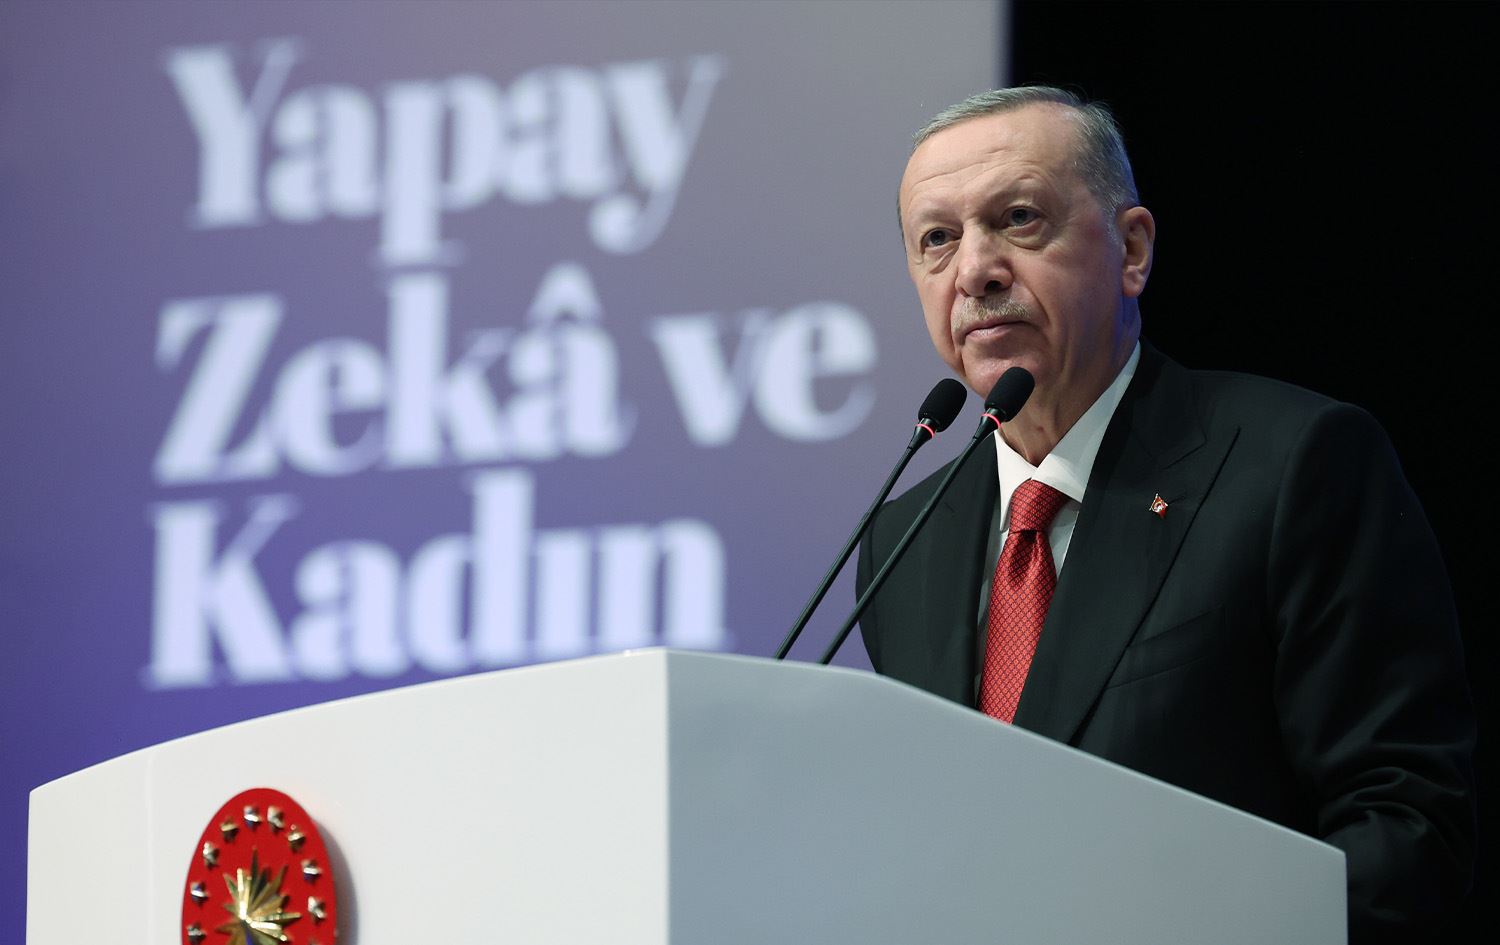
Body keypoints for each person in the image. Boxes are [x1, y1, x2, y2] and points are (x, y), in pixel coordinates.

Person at [856, 86, 1476, 944]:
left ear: (1133, 250)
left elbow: (1404, 824)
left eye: (1019, 219)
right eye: (938, 239)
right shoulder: (903, 542)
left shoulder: (1291, 465)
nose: (975, 270)